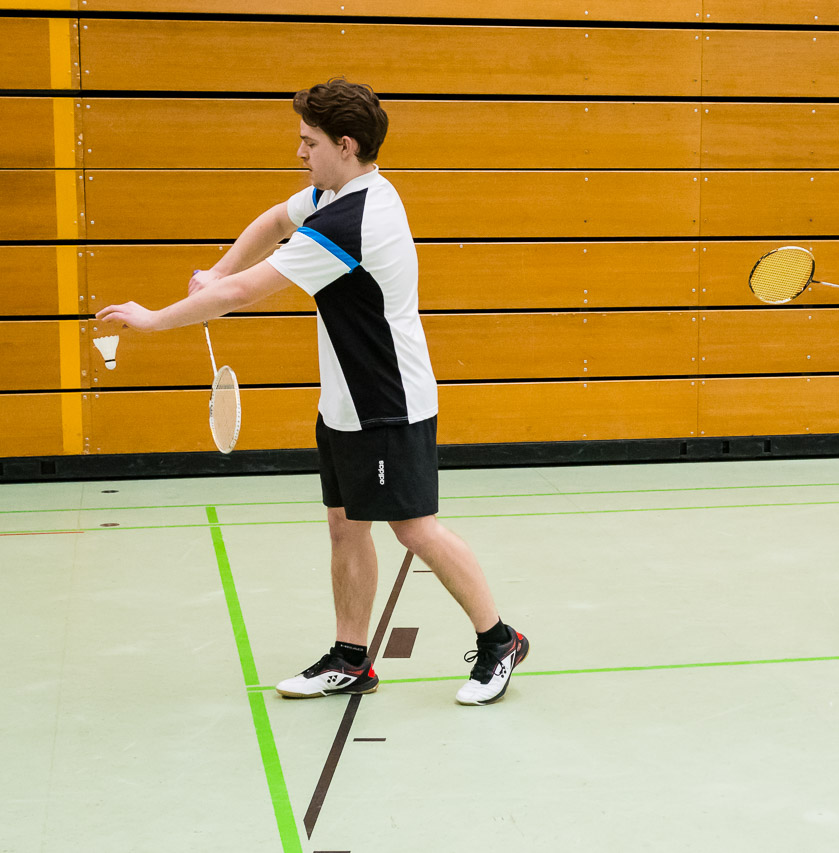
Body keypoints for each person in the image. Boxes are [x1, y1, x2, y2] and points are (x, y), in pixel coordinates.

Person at [95, 78, 529, 703]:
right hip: (345, 400)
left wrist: (155, 319)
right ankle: (351, 659)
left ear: (345, 145)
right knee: (346, 526)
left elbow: (245, 293)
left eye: (310, 142)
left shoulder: (354, 221)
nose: (300, 152)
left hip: (389, 402)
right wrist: (216, 269)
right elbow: (275, 219)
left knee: (415, 530)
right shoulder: (335, 194)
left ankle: (499, 640)